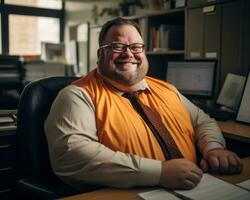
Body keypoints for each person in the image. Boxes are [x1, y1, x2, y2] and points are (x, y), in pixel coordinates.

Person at [44, 17, 242, 191]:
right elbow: (72, 155)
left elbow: (203, 121)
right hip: (127, 193)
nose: (128, 54)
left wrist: (214, 148)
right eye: (117, 46)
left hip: (195, 186)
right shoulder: (77, 95)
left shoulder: (167, 89)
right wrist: (159, 173)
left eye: (136, 47)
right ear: (100, 54)